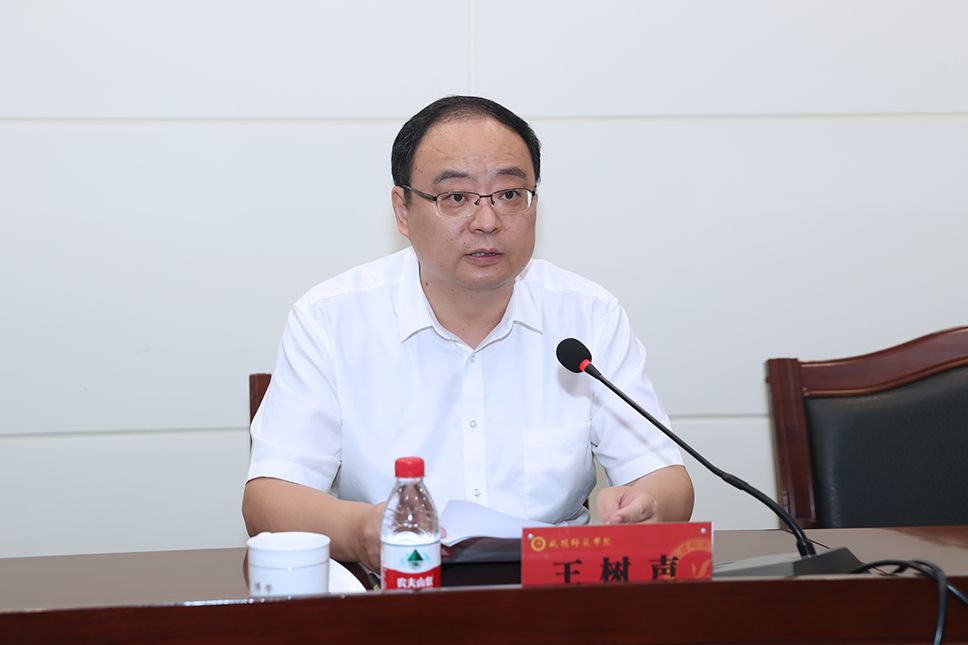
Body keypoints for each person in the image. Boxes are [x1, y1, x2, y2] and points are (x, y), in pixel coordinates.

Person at [243, 96, 694, 571]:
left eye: (510, 195)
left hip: (550, 595)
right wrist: (361, 532)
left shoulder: (588, 317)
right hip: (398, 594)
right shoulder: (331, 320)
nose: (487, 221)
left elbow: (664, 478)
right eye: (456, 197)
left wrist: (649, 506)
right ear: (402, 210)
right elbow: (270, 499)